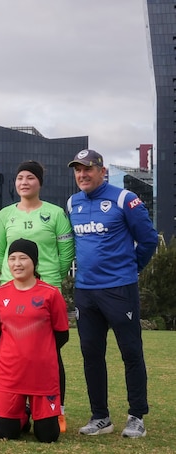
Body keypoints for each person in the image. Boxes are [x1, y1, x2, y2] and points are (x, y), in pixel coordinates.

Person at [66, 149, 158, 438]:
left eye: (88, 169)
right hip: (85, 291)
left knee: (130, 352)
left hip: (119, 289)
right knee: (91, 353)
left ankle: (136, 416)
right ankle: (100, 417)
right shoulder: (72, 203)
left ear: (102, 171)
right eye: (78, 170)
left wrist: (130, 270)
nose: (82, 175)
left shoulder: (124, 199)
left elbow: (148, 240)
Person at [0, 160, 74, 432]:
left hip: (46, 288)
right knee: (14, 352)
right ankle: (18, 408)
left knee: (51, 355)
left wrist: (46, 278)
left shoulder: (56, 213)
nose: (24, 182)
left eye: (30, 178)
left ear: (39, 182)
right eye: (20, 177)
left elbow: (67, 254)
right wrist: (14, 276)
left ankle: (55, 409)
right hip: (11, 292)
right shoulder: (4, 215)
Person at [0, 239, 68, 443]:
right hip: (10, 374)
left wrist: (39, 351)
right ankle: (22, 414)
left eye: (23, 258)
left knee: (48, 436)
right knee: (5, 433)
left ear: (34, 262)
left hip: (42, 376)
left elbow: (61, 334)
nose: (17, 263)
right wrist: (15, 350)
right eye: (12, 258)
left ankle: (37, 412)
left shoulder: (50, 294)